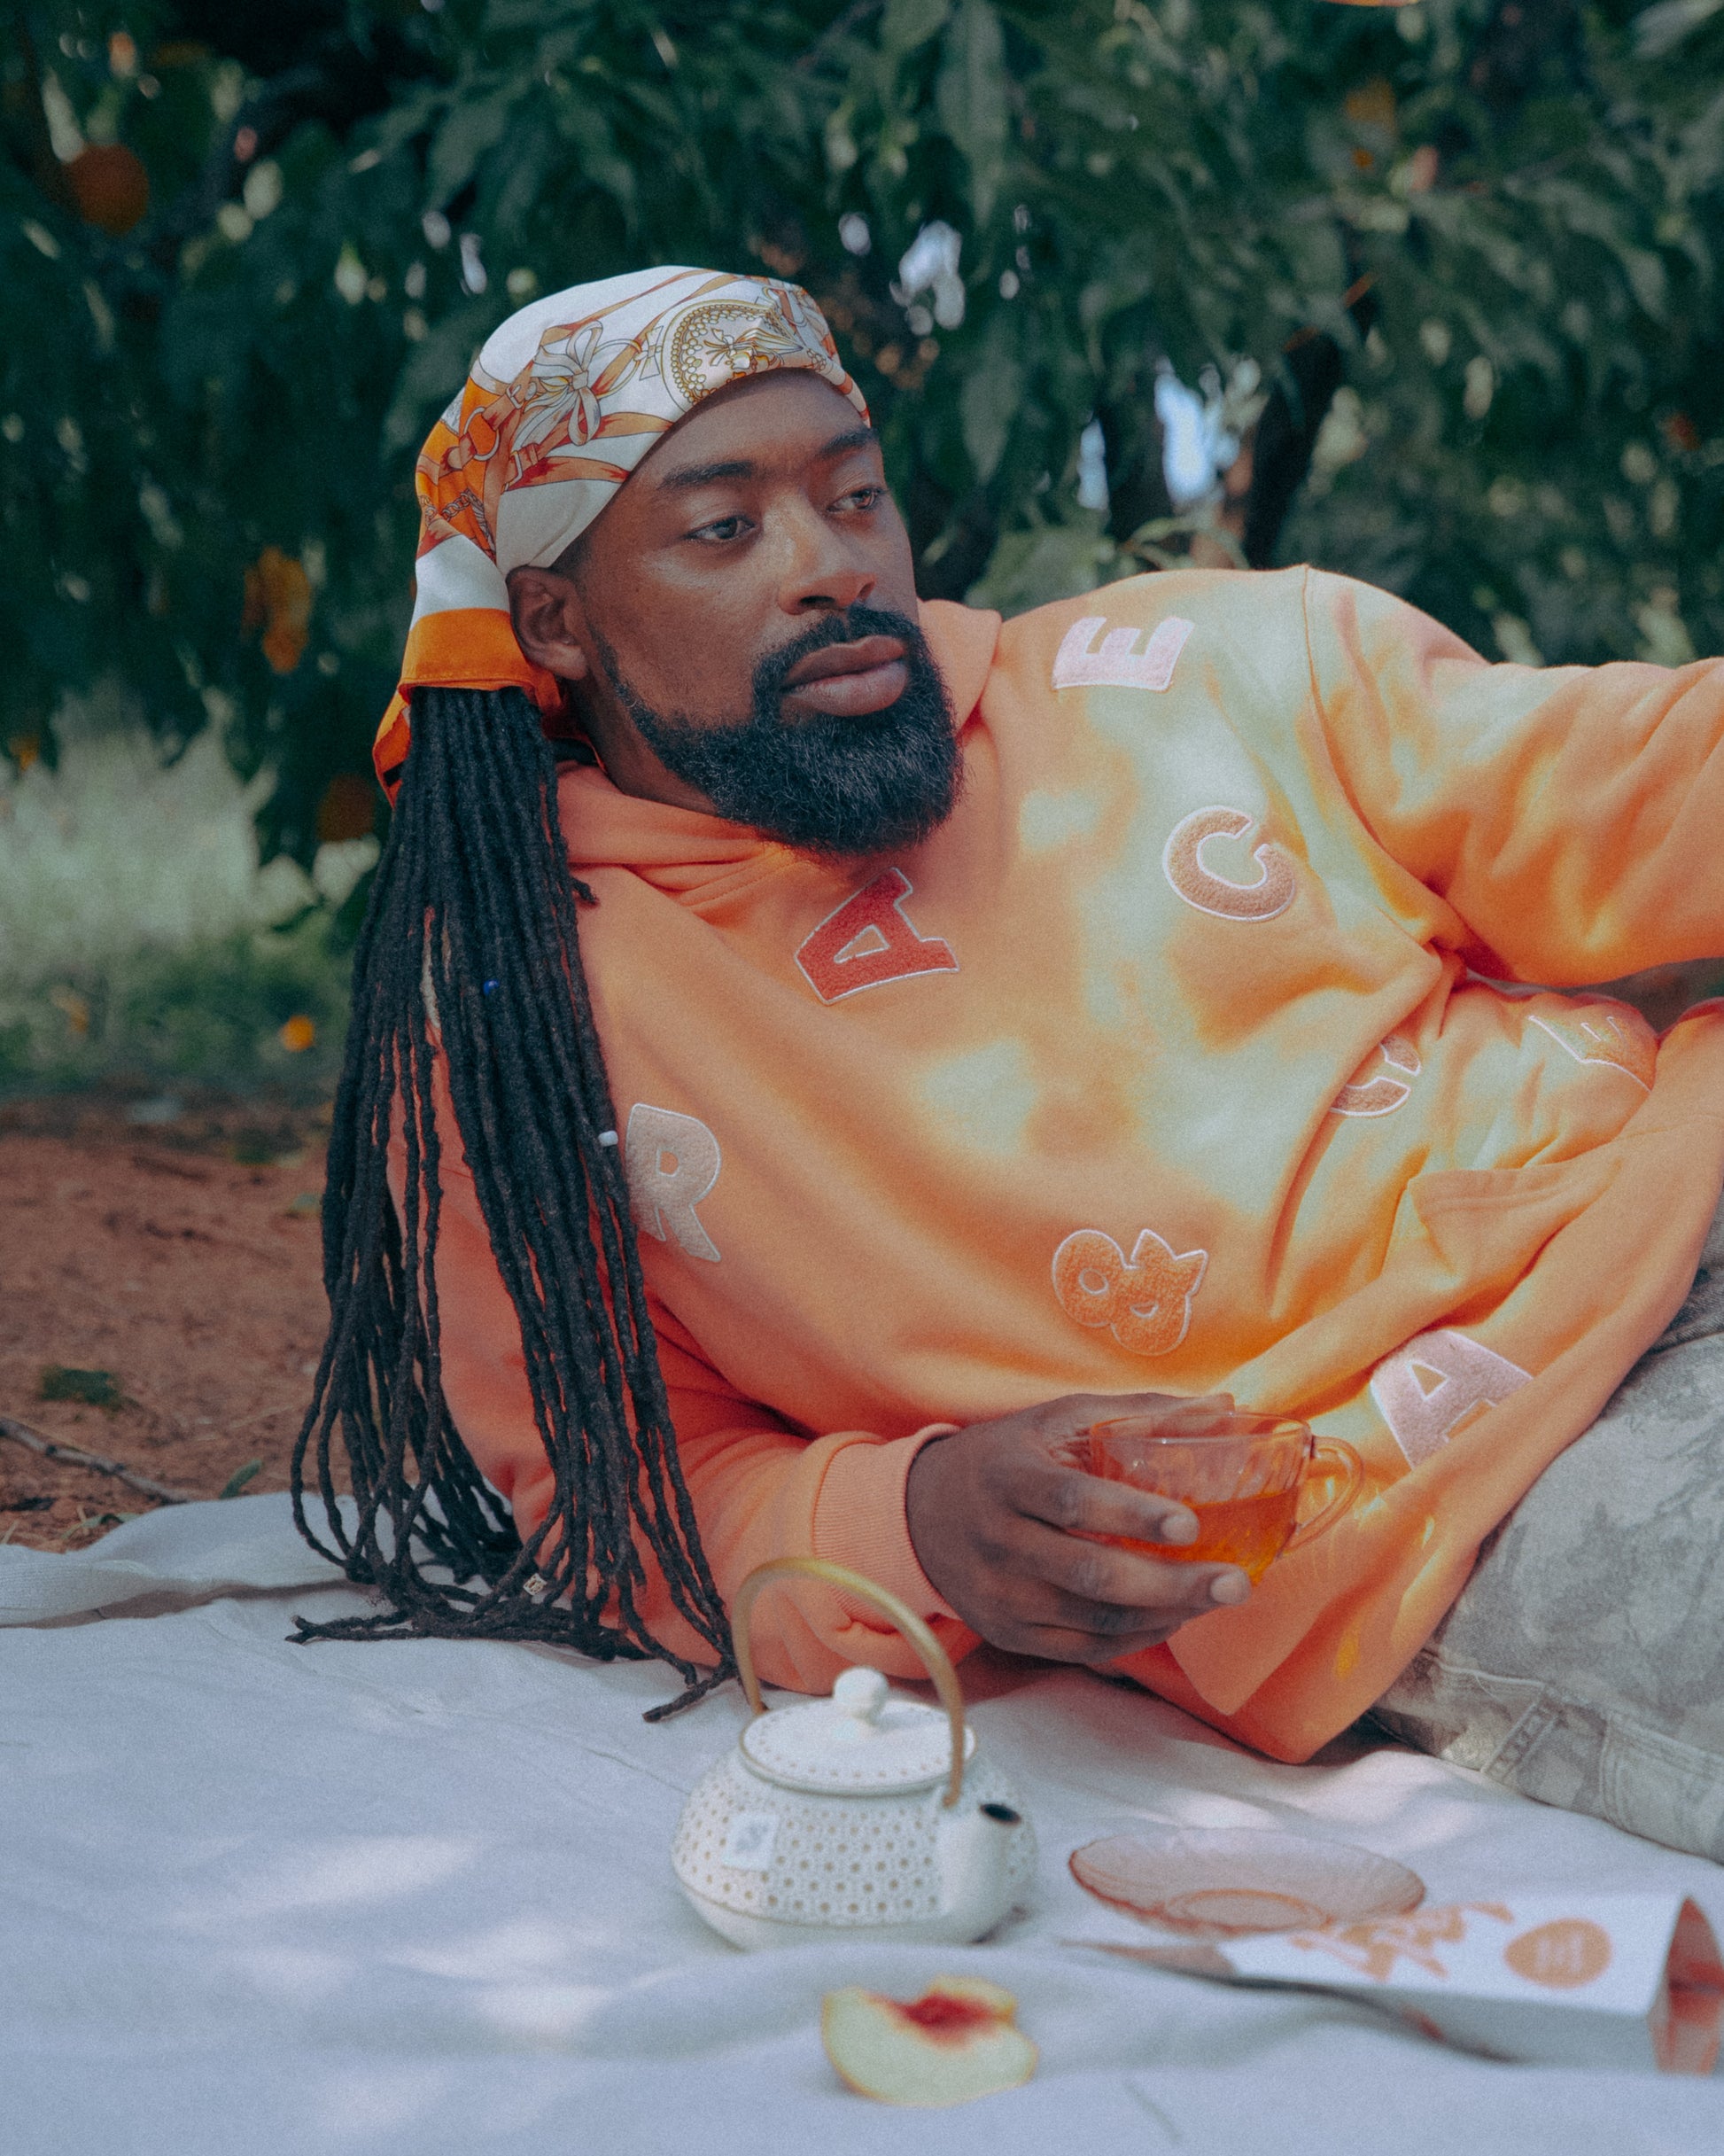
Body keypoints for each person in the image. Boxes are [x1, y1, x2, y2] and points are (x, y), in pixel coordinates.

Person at [293, 266, 1724, 1852]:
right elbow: (618, 1495)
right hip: (1457, 1480)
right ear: (551, 620)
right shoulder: (527, 1014)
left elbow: (1639, 782)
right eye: (725, 527)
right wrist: (910, 1523)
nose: (830, 566)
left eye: (855, 498)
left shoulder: (1200, 663)